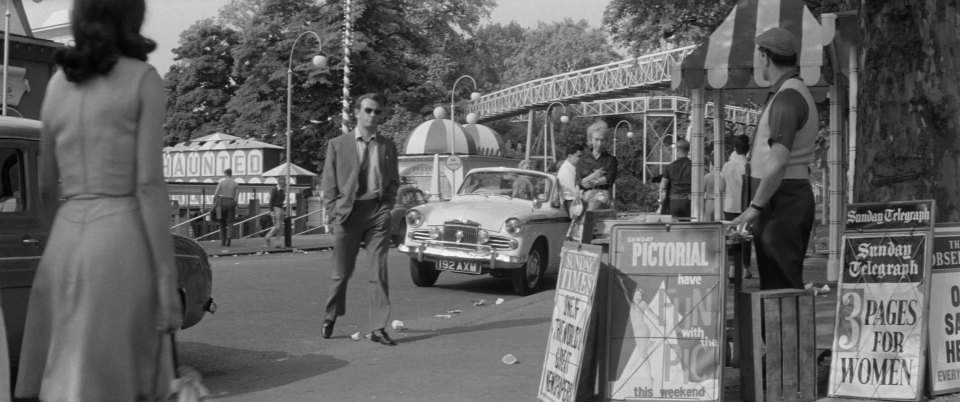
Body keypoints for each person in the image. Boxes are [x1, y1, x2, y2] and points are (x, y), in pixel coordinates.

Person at [16, 0, 181, 399]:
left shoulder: (57, 84)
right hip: (120, 239)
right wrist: (165, 279)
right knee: (118, 379)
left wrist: (61, 241)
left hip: (64, 242)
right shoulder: (143, 79)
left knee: (65, 380)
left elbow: (44, 186)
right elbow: (147, 184)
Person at [731, 27, 818, 290]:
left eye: (759, 56)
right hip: (784, 198)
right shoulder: (791, 92)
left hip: (782, 203)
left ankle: (788, 333)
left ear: (765, 56)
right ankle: (785, 331)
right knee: (780, 286)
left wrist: (755, 208)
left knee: (781, 289)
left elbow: (778, 161)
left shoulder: (787, 98)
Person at [320, 93, 400, 346]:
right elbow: (329, 184)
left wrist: (387, 207)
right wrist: (334, 213)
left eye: (377, 112)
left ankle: (378, 328)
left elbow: (394, 180)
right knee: (341, 274)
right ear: (357, 112)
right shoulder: (338, 144)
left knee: (379, 272)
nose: (372, 116)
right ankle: (331, 315)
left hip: (376, 213)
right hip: (348, 214)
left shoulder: (388, 146)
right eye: (368, 110)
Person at [722, 135, 752, 278]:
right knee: (745, 237)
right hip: (744, 207)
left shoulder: (727, 166)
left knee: (731, 237)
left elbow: (721, 186)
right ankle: (745, 268)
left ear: (735, 148)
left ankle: (732, 268)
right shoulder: (747, 166)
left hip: (728, 206)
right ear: (748, 149)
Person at [577, 120, 618, 210]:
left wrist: (588, 180)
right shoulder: (582, 160)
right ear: (590, 140)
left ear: (606, 141)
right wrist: (595, 175)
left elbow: (608, 180)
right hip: (584, 197)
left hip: (602, 197)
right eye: (596, 140)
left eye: (602, 140)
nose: (599, 143)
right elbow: (579, 183)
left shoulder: (611, 160)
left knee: (593, 205)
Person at [658, 139, 692, 219]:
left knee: (674, 228)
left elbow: (663, 187)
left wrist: (662, 202)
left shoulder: (669, 167)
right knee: (688, 227)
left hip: (674, 202)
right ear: (688, 150)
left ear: (677, 150)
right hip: (689, 202)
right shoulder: (694, 166)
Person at [213, 168, 239, 246]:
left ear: (225, 174)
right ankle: (229, 238)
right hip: (231, 202)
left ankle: (223, 241)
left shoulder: (221, 183)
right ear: (231, 174)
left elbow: (216, 194)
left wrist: (214, 203)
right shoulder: (235, 184)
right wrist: (236, 205)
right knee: (230, 223)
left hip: (221, 202)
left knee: (221, 222)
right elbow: (236, 197)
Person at [556, 143, 584, 212]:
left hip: (573, 202)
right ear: (569, 156)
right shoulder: (566, 170)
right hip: (570, 204)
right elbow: (574, 191)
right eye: (579, 156)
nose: (581, 159)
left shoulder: (571, 168)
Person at [264, 181, 285, 248]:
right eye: (284, 183)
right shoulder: (275, 190)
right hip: (276, 209)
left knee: (280, 227)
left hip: (280, 208)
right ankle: (267, 237)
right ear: (281, 183)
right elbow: (271, 201)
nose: (285, 184)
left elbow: (281, 200)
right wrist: (271, 211)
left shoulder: (282, 190)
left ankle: (278, 243)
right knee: (277, 226)